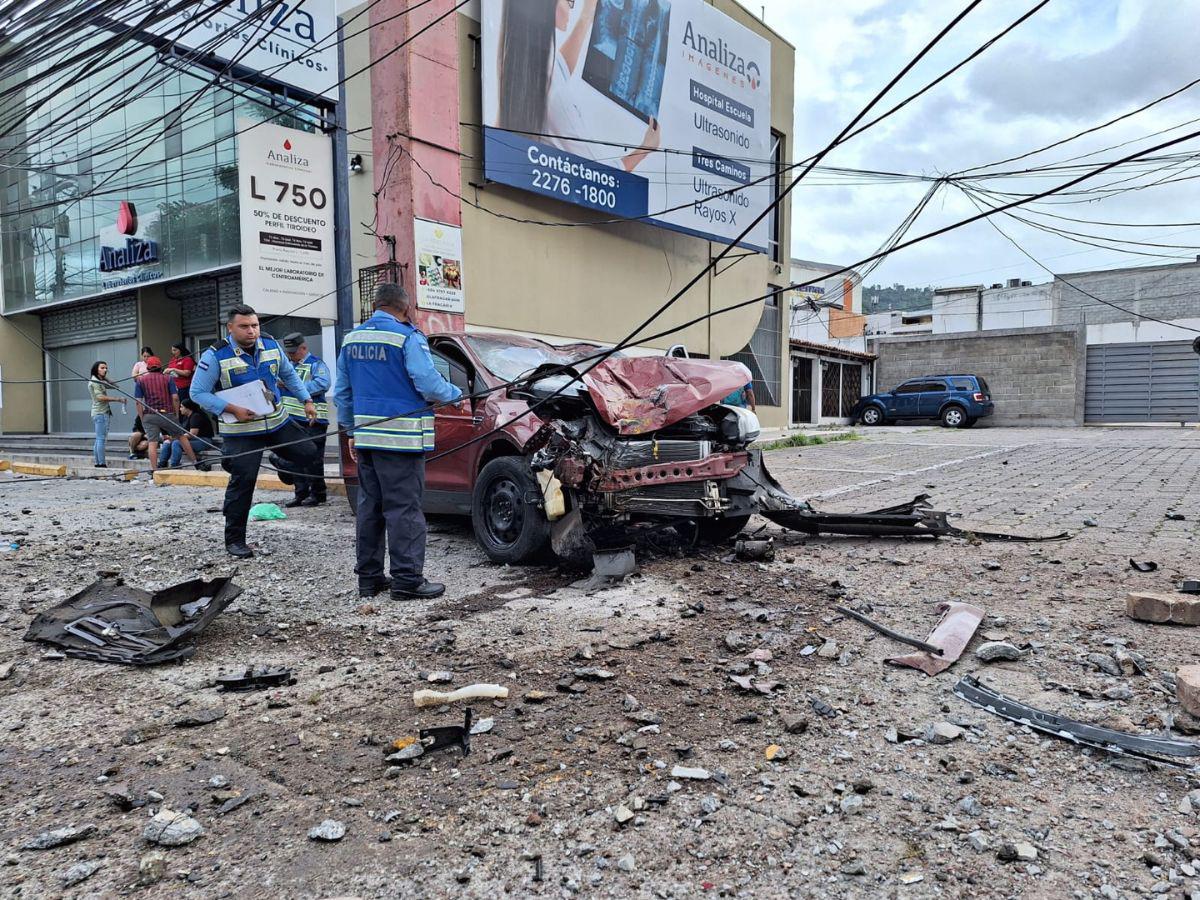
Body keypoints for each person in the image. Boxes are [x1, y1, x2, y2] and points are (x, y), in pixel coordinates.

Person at [334, 283, 461, 601]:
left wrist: (351, 432)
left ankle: (369, 579)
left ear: (376, 306)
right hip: (402, 441)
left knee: (370, 508)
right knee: (404, 510)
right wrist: (455, 394)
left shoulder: (351, 339)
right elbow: (428, 383)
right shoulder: (407, 337)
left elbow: (342, 393)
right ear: (405, 307)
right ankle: (407, 581)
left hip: (367, 440)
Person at [190, 305, 323, 559]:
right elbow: (198, 393)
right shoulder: (215, 355)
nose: (251, 331)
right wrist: (231, 408)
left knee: (308, 452)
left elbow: (289, 375)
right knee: (243, 482)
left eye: (255, 325)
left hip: (277, 422)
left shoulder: (271, 345)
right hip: (242, 431)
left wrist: (306, 400)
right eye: (244, 326)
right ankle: (235, 540)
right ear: (230, 328)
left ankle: (279, 462)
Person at [497, 0, 660, 172]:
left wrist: (586, 16)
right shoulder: (554, 94)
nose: (571, 6)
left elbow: (559, 68)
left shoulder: (523, 65)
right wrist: (645, 148)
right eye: (569, 1)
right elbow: (601, 173)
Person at [276, 332, 331, 508]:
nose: (290, 355)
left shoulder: (316, 364)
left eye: (293, 352)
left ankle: (318, 494)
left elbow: (322, 384)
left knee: (314, 460)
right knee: (294, 458)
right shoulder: (287, 367)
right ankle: (300, 494)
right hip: (292, 421)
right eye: (288, 352)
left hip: (313, 421)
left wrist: (294, 387)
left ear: (304, 348)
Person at [134, 356, 181, 472]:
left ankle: (154, 470)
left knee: (152, 444)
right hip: (168, 413)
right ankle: (194, 462)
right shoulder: (168, 379)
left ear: (148, 368)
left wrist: (142, 416)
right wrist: (176, 413)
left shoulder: (141, 380)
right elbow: (175, 398)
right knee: (181, 438)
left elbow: (138, 402)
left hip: (150, 414)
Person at [89, 361, 127, 468]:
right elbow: (100, 397)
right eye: (102, 368)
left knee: (98, 439)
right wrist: (117, 399)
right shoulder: (95, 382)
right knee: (101, 439)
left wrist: (105, 377)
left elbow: (115, 386)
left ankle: (98, 463)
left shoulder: (99, 381)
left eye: (106, 368)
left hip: (98, 412)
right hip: (101, 413)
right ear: (96, 369)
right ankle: (101, 463)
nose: (105, 370)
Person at [158, 399, 215, 470]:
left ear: (188, 408)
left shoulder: (196, 416)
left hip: (203, 441)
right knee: (167, 442)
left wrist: (175, 438)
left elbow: (192, 434)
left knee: (177, 443)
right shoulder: (186, 417)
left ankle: (174, 466)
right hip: (193, 440)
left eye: (182, 407)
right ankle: (162, 465)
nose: (180, 409)